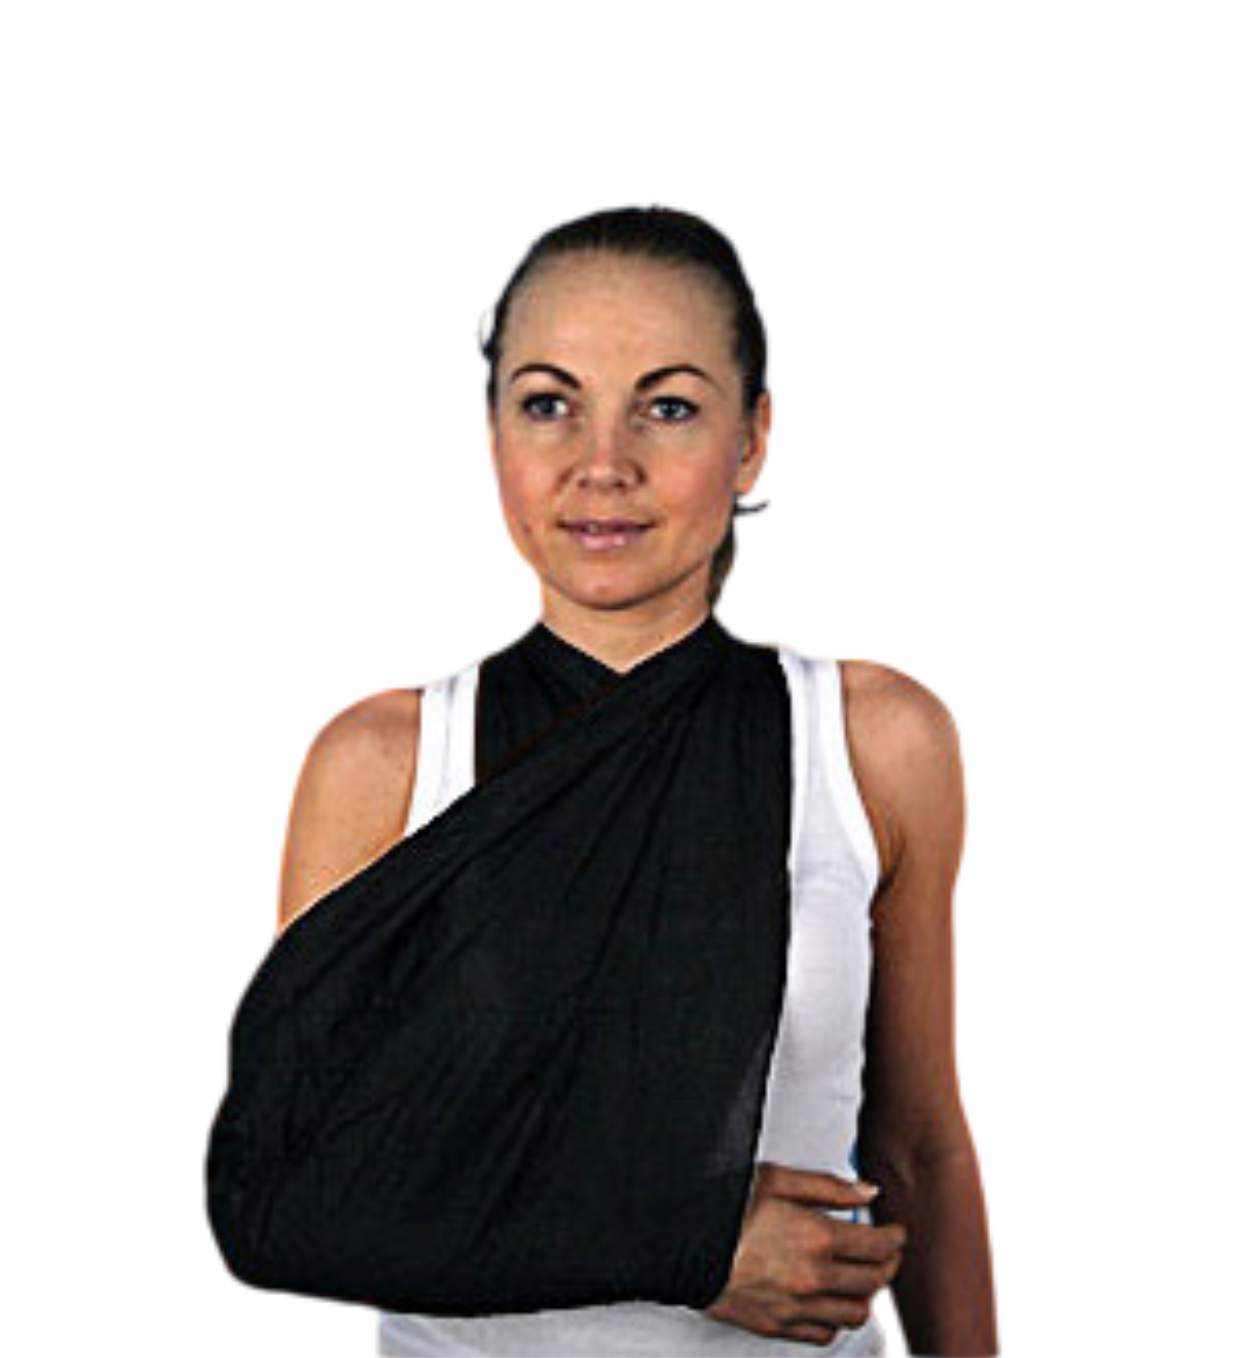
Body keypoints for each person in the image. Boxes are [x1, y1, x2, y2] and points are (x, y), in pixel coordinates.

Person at [275, 206, 999, 1355]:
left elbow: (916, 1143)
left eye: (667, 407)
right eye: (548, 403)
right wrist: (679, 1236)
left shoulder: (871, 743)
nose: (602, 463)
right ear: (493, 434)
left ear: (751, 438)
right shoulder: (383, 765)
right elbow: (309, 1184)